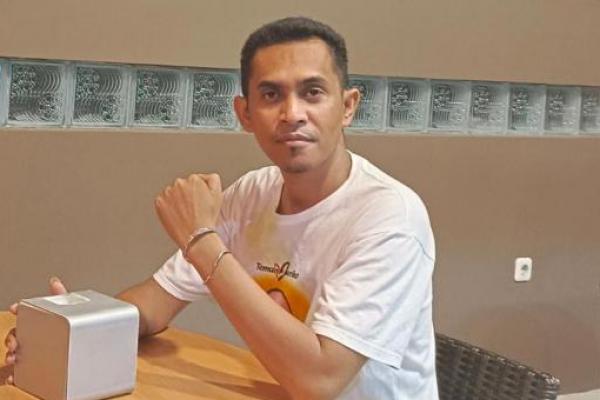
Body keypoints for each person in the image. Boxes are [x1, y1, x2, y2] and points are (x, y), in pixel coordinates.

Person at [4, 16, 438, 399]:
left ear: (347, 106)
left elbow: (320, 381)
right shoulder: (253, 193)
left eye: (313, 92)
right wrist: (77, 324)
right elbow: (155, 303)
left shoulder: (390, 218)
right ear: (245, 114)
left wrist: (201, 242)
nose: (292, 113)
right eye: (271, 95)